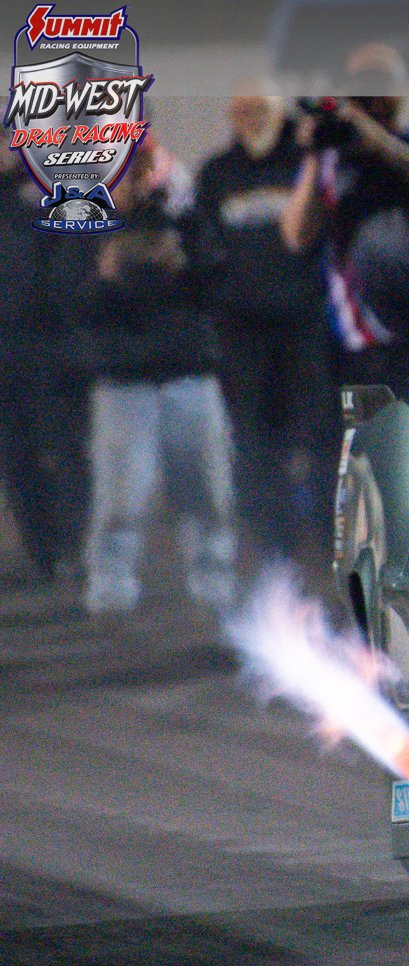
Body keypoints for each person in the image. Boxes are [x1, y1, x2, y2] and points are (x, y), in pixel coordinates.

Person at [80, 136, 237, 616]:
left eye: (143, 166)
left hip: (188, 371)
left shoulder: (184, 218)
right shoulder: (85, 223)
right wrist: (106, 271)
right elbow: (71, 302)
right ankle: (111, 592)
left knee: (206, 493)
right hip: (124, 379)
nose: (137, 178)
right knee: (120, 499)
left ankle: (214, 586)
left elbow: (216, 280)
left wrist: (183, 227)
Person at [281, 43, 409, 399]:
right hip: (360, 347)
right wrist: (315, 151)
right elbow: (296, 236)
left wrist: (376, 141)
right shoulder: (331, 161)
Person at [197, 80, 333, 560]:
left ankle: (327, 542)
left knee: (321, 436)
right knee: (255, 443)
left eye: (260, 109)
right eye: (242, 110)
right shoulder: (216, 174)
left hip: (306, 326)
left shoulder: (306, 163)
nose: (251, 119)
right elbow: (204, 253)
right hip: (244, 335)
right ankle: (275, 547)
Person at [0, 146, 90, 585]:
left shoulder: (55, 188)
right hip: (8, 350)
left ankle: (76, 545)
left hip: (54, 344)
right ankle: (44, 552)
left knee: (66, 448)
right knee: (17, 456)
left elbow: (76, 262)